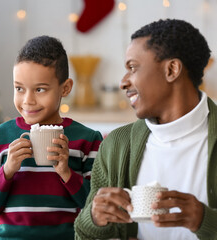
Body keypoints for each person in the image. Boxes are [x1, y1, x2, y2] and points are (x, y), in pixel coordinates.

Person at [74, 18, 217, 240]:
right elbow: (84, 237)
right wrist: (94, 219)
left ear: (172, 69)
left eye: (132, 67)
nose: (123, 82)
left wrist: (204, 220)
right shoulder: (116, 145)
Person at [0, 35, 103, 239]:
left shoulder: (88, 140)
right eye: (19, 88)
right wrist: (7, 171)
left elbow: (96, 207)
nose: (28, 100)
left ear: (65, 88)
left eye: (40, 89)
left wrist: (66, 172)